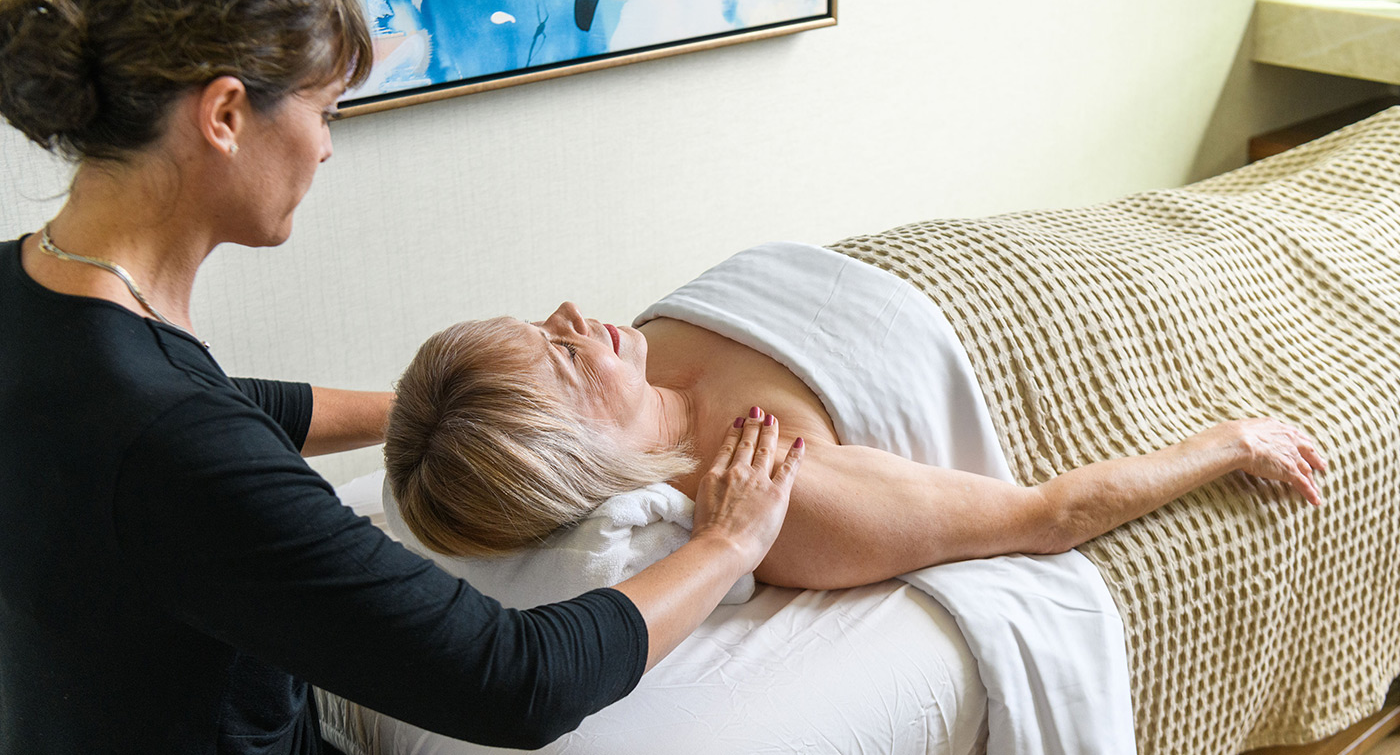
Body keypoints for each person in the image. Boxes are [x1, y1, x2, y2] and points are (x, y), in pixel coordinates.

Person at [0, 0, 802, 755]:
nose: (326, 148)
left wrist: (436, 409)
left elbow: (212, 403)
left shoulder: (38, 299)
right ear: (225, 116)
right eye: (322, 112)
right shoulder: (179, 449)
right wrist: (727, 540)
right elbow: (517, 682)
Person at [386, 269, 1326, 591]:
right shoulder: (772, 489)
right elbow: (1044, 515)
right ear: (570, 450)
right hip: (1038, 332)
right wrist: (1233, 440)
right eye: (559, 351)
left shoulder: (631, 363)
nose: (569, 311)